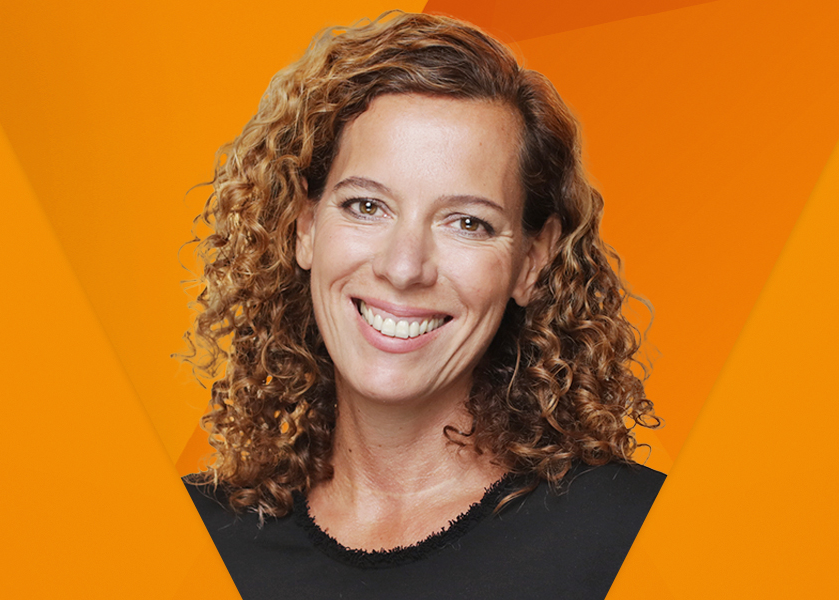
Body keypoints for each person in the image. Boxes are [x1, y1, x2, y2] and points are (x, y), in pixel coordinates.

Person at [181, 11, 663, 600]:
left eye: (467, 222)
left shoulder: (638, 537)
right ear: (306, 226)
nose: (405, 267)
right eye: (366, 206)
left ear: (531, 261)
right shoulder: (185, 543)